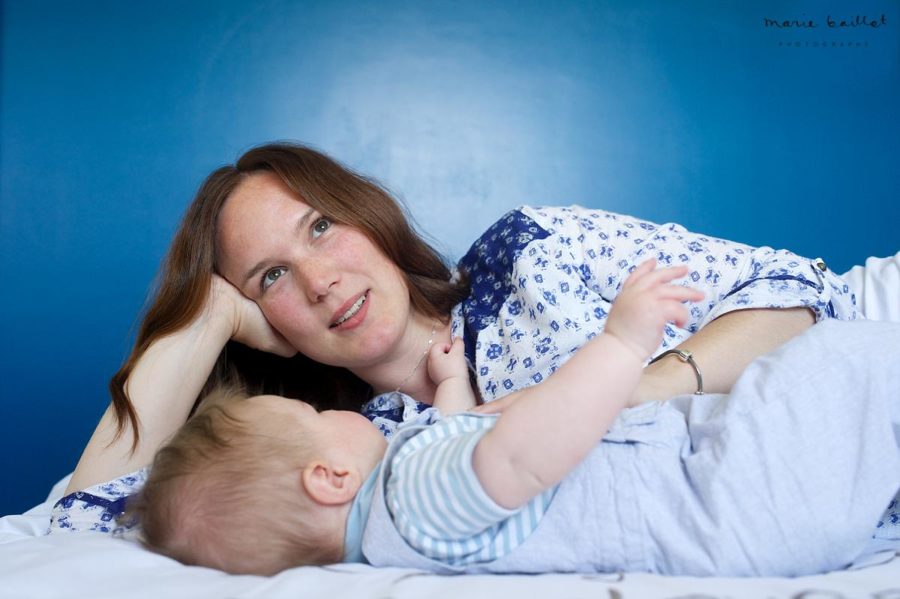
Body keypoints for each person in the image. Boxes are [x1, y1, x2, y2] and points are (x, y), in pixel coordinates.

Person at [51, 142, 858, 534]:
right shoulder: (348, 457)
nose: (320, 280)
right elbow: (80, 516)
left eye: (321, 226)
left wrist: (640, 384)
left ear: (366, 214)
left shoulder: (528, 252)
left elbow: (799, 292)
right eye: (271, 278)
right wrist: (207, 317)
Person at [130, 261, 900, 577]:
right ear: (330, 476)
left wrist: (451, 383)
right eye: (308, 413)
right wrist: (621, 343)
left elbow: (452, 450)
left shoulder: (402, 525)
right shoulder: (411, 492)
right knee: (841, 357)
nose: (326, 409)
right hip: (732, 500)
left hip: (739, 514)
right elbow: (516, 458)